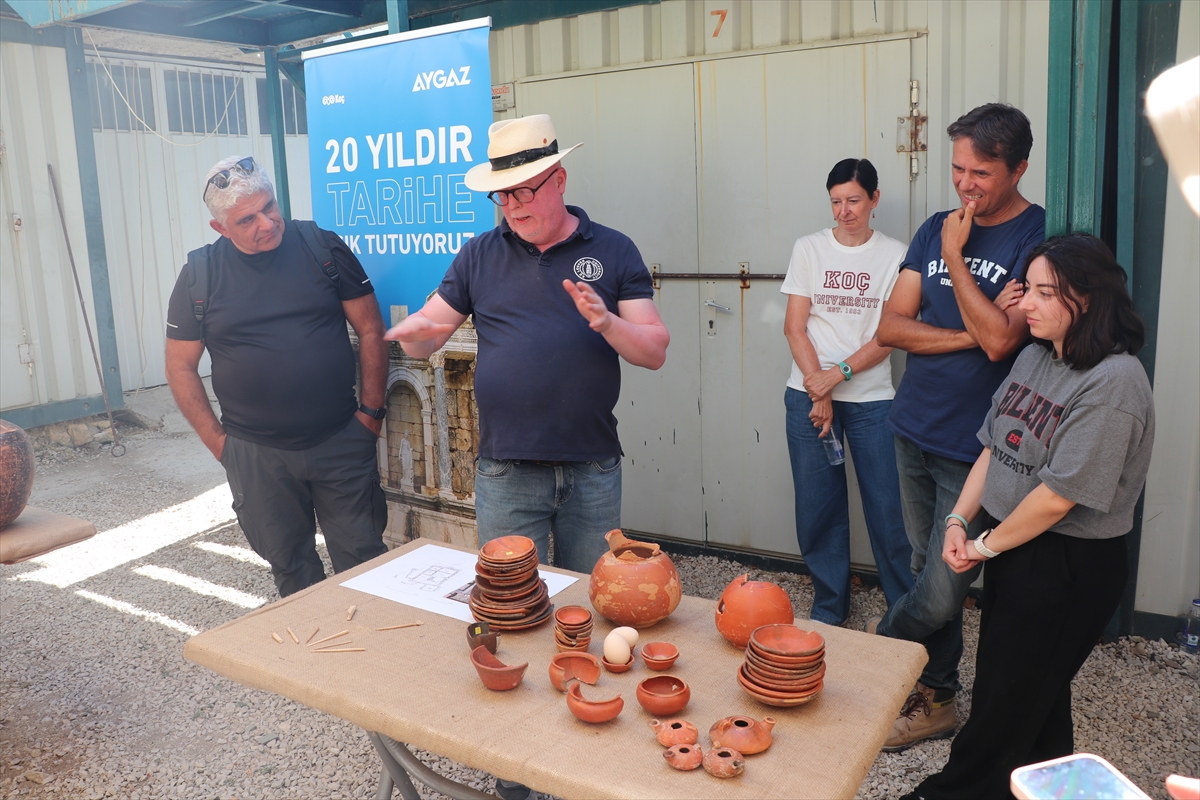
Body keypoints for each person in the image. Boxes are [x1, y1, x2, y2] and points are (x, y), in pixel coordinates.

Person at [901, 234, 1155, 799]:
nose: (1025, 304)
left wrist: (984, 546)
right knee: (1034, 692)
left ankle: (955, 791)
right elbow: (994, 446)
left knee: (1005, 697)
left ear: (1085, 300)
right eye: (1029, 289)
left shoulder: (1114, 382)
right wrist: (957, 523)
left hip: (1070, 563)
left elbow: (1057, 497)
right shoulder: (1038, 354)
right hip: (1015, 546)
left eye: (1044, 293)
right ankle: (1043, 786)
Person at [385, 114, 669, 576]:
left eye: (524, 191)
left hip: (592, 467)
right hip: (506, 472)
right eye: (502, 194)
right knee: (512, 598)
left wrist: (608, 323)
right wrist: (408, 332)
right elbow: (429, 332)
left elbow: (654, 350)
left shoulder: (614, 250)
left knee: (591, 600)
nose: (512, 207)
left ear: (559, 179)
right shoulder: (479, 254)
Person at [870, 103, 1046, 751]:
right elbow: (891, 327)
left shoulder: (1036, 239)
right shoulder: (933, 227)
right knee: (924, 564)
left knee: (943, 591)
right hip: (912, 428)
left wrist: (957, 259)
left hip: (979, 450)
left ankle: (875, 652)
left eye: (982, 172)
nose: (966, 184)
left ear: (1018, 168)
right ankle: (937, 698)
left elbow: (1005, 343)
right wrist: (973, 332)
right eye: (957, 169)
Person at [165, 156, 389, 597]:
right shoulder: (200, 276)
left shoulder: (320, 246)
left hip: (340, 440)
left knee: (364, 563)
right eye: (247, 219)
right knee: (291, 567)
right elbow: (179, 366)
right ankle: (313, 661)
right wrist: (221, 445)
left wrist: (370, 416)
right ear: (221, 229)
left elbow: (370, 329)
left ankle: (374, 661)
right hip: (256, 453)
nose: (266, 223)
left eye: (269, 207)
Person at [781, 158, 913, 626]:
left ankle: (904, 613)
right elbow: (795, 328)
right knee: (819, 511)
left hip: (872, 403)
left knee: (889, 513)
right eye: (836, 201)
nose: (844, 211)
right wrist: (818, 391)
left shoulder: (897, 255)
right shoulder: (809, 249)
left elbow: (889, 335)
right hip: (807, 398)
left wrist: (832, 379)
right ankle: (829, 611)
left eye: (854, 200)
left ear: (874, 200)